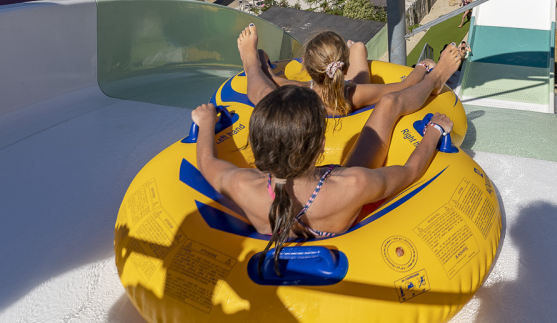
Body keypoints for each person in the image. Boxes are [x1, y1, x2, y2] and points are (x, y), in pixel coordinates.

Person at [191, 45, 463, 257]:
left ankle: (254, 65)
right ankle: (434, 78)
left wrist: (205, 124)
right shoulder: (355, 183)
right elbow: (409, 171)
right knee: (389, 103)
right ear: (321, 146)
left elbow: (206, 161)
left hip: (304, 193)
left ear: (259, 145)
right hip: (332, 194)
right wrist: (434, 131)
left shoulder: (241, 186)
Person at [237, 25, 441, 111]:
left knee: (276, 84)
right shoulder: (356, 92)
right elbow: (407, 84)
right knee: (360, 47)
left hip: (317, 91)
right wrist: (423, 66)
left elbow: (262, 93)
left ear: (307, 67)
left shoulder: (303, 95)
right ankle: (352, 48)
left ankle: (252, 62)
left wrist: (256, 62)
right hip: (344, 94)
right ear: (345, 66)